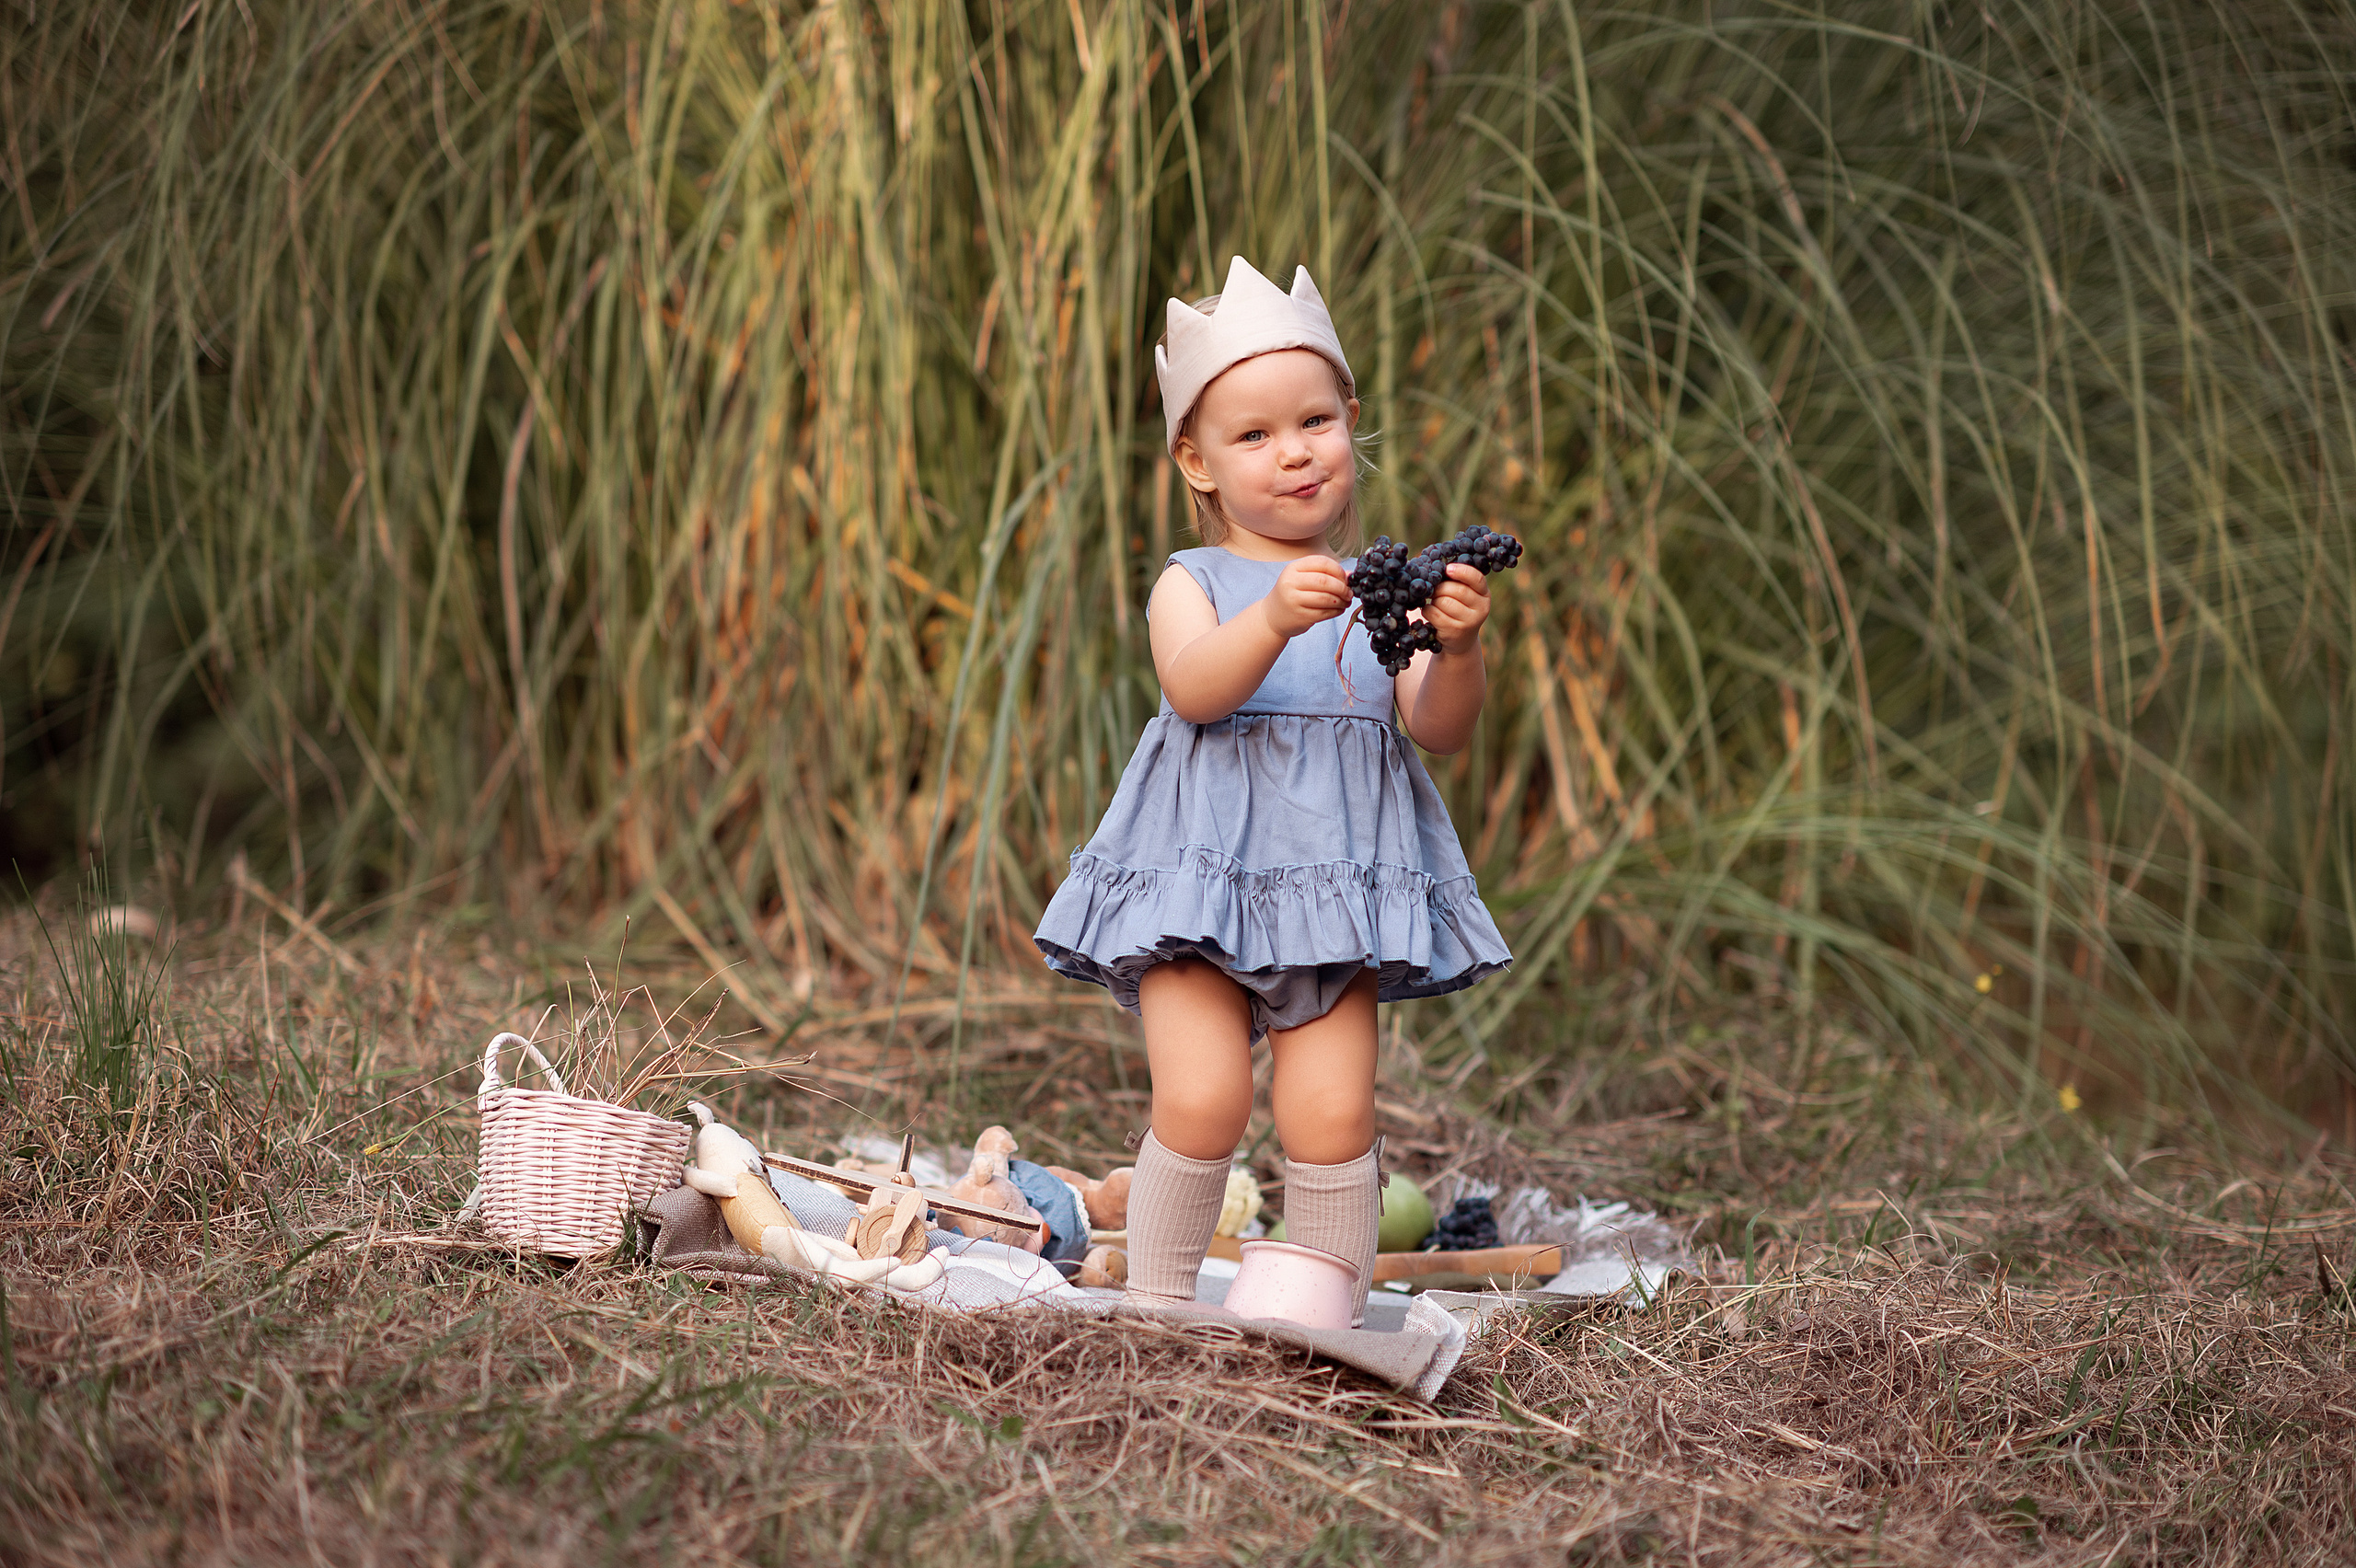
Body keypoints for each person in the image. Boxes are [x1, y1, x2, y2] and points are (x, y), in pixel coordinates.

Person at [1033, 255, 1511, 1322]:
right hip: (1200, 885)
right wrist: (1272, 619)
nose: (1292, 453)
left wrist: (1461, 650)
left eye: (1313, 422)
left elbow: (1436, 728)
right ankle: (1156, 1309)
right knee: (1205, 1100)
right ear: (1197, 464)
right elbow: (1194, 689)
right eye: (1253, 437)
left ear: (1350, 420)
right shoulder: (1194, 582)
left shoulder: (1377, 600)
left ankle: (1322, 1315)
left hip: (1333, 896)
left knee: (1333, 1117)